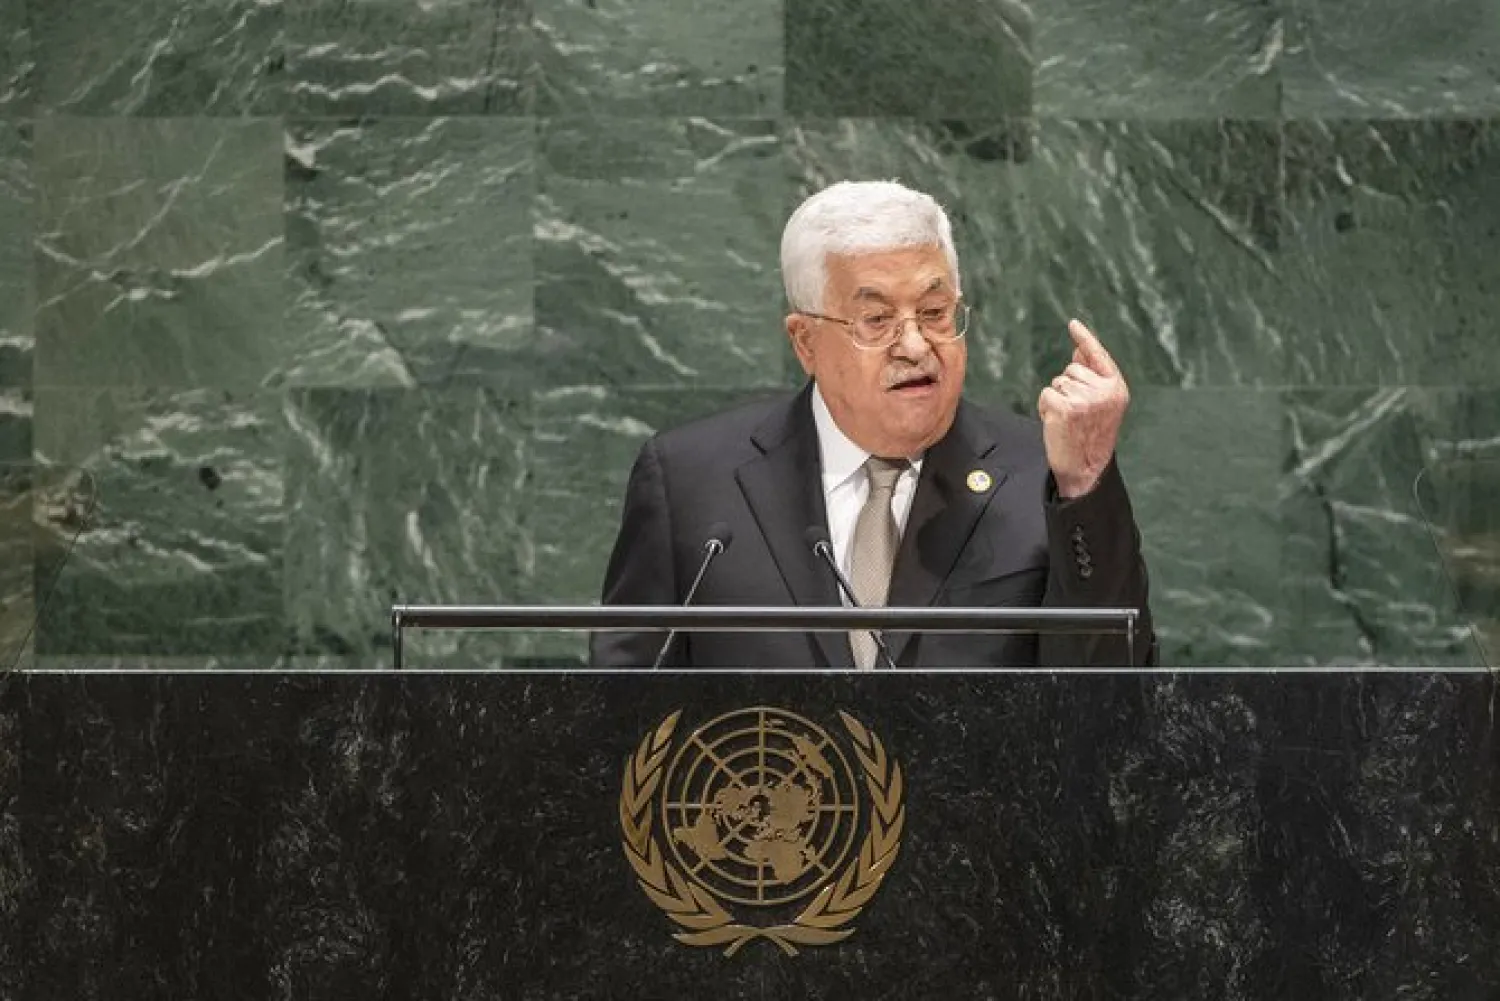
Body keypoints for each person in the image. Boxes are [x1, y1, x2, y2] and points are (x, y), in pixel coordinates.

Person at [590, 180, 1155, 668]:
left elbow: (1115, 692)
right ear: (805, 341)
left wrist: (1083, 485)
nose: (914, 346)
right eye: (876, 319)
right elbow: (621, 715)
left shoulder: (1045, 476)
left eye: (935, 313)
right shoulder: (691, 483)